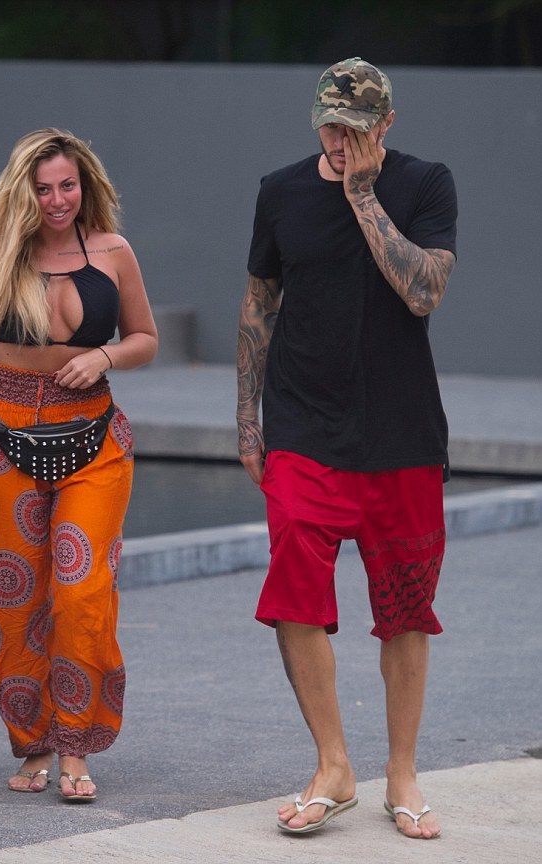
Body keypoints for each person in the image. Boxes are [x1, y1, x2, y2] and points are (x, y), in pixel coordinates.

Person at [236, 58, 457, 839]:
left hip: (401, 431)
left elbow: (424, 291)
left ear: (385, 125)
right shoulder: (280, 191)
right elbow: (260, 303)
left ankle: (402, 771)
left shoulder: (425, 185)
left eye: (354, 128)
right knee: (294, 583)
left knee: (405, 609)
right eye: (329, 125)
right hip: (304, 425)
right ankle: (333, 765)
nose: (338, 140)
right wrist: (248, 419)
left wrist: (363, 196)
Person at [0, 128, 158, 802]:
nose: (58, 199)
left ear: (84, 184)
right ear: (22, 192)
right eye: (43, 188)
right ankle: (33, 742)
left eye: (68, 185)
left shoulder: (114, 251)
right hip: (2, 434)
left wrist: (104, 355)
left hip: (93, 433)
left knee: (82, 590)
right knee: (15, 600)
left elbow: (145, 338)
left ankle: (75, 746)